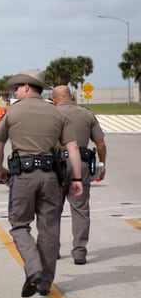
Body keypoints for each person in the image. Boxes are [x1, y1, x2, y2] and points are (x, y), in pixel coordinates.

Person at [0, 69, 83, 298]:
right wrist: (77, 178)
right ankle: (45, 284)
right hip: (51, 176)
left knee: (19, 225)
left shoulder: (13, 112)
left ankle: (33, 269)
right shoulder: (57, 113)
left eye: (17, 87)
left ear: (26, 87)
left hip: (23, 176)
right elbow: (72, 147)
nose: (15, 91)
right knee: (49, 229)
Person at [52, 85, 107, 265]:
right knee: (80, 208)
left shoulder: (51, 114)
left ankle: (52, 249)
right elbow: (100, 143)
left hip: (56, 165)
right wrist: (102, 164)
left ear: (55, 100)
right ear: (73, 97)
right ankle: (79, 252)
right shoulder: (87, 114)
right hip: (80, 165)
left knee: (53, 209)